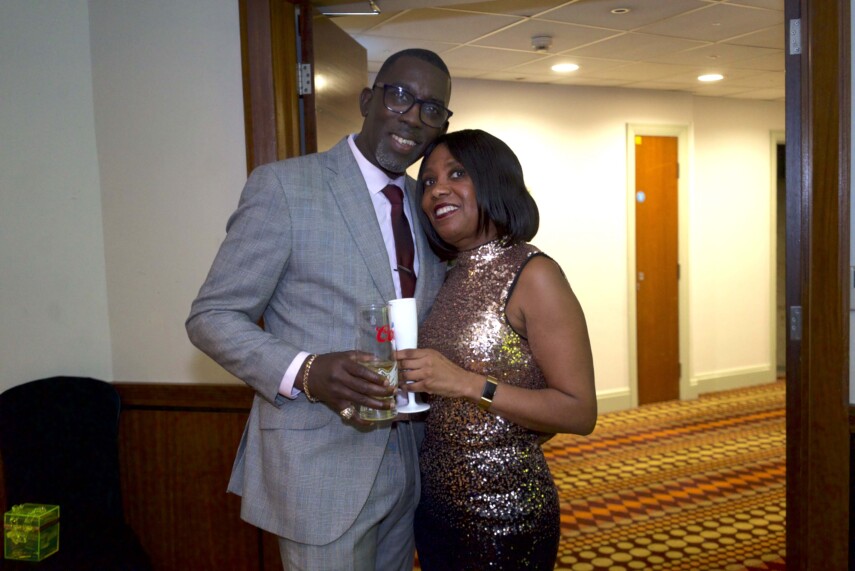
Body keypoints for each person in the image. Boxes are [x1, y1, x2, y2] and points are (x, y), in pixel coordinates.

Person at [185, 49, 452, 571]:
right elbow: (212, 316)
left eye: (432, 109)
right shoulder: (285, 186)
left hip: (409, 463)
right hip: (322, 468)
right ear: (367, 100)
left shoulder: (429, 205)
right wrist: (307, 371)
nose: (413, 117)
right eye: (400, 96)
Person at [397, 129, 598, 570]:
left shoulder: (534, 274)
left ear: (493, 180)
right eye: (428, 181)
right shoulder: (447, 275)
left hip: (504, 517)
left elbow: (579, 412)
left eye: (456, 174)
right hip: (434, 510)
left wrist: (468, 384)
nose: (437, 190)